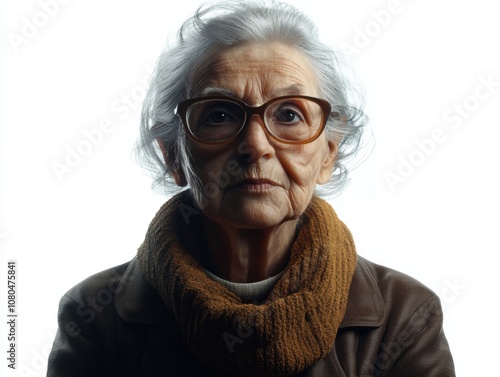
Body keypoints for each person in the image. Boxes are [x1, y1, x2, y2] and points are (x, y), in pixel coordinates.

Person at [47, 1, 455, 376]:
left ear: (328, 155)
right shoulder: (94, 318)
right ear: (174, 156)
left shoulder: (404, 316)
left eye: (290, 114)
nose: (256, 146)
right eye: (220, 115)